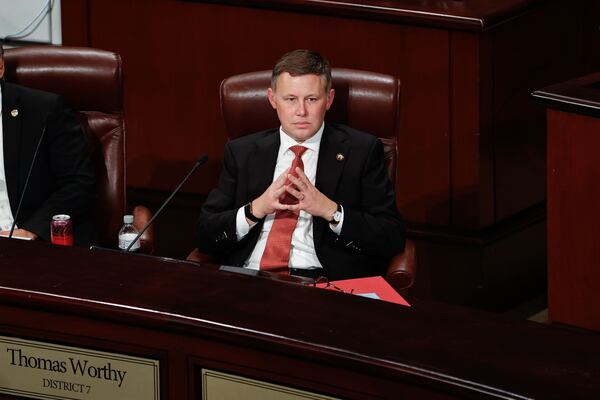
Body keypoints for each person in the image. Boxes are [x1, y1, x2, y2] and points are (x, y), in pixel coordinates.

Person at [197, 49, 405, 280]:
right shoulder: (242, 152)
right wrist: (256, 209)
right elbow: (205, 235)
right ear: (272, 99)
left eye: (312, 99)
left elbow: (391, 237)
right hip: (248, 277)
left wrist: (330, 210)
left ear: (329, 99)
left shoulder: (361, 151)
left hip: (321, 283)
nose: (301, 111)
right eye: (290, 99)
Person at [0, 42, 96, 245]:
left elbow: (78, 183)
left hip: (31, 241)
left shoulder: (44, 111)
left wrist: (32, 230)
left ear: (0, 67)